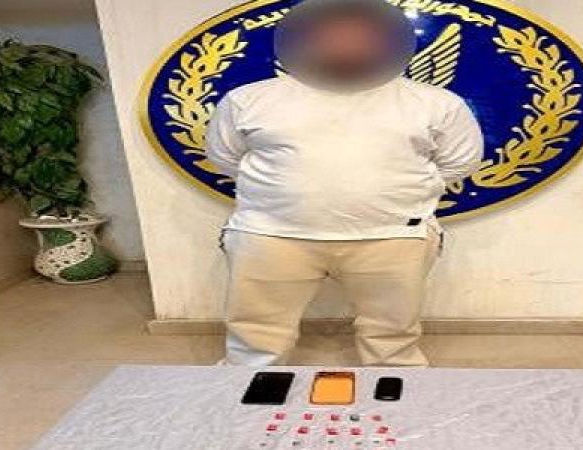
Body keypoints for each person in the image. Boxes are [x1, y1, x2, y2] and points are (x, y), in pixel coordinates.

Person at [206, 0, 484, 367]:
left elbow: (459, 161)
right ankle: (246, 390)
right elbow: (226, 158)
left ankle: (399, 390)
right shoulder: (248, 100)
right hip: (271, 235)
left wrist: (396, 193)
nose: (346, 45)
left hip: (394, 236)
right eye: (335, 36)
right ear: (305, 40)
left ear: (387, 41)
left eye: (359, 37)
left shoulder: (435, 103)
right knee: (256, 335)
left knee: (393, 337)